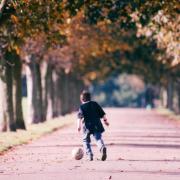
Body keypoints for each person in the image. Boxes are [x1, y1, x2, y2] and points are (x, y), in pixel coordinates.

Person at [77, 90, 109, 161]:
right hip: (96, 125)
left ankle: (89, 155)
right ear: (90, 98)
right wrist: (105, 121)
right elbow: (102, 113)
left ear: (82, 99)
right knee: (98, 138)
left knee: (85, 140)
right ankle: (102, 147)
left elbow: (79, 118)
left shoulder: (82, 107)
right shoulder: (95, 104)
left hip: (87, 126)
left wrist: (78, 126)